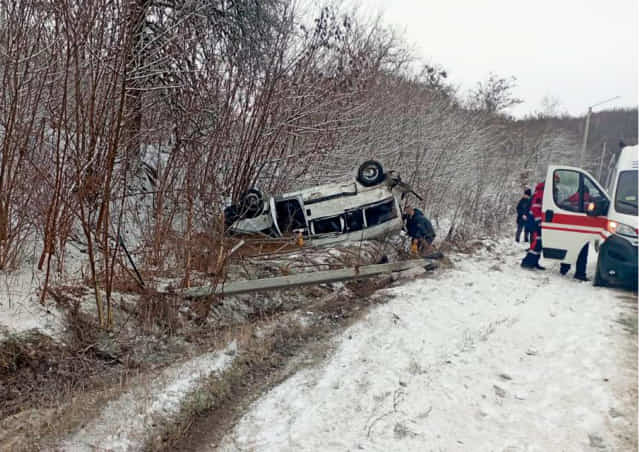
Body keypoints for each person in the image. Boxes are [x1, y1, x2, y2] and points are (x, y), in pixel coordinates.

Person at [521, 182, 545, 270]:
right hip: (534, 223)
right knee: (535, 243)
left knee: (538, 243)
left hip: (535, 222)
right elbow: (535, 209)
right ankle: (526, 262)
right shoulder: (539, 194)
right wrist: (539, 221)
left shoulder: (539, 193)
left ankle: (534, 262)